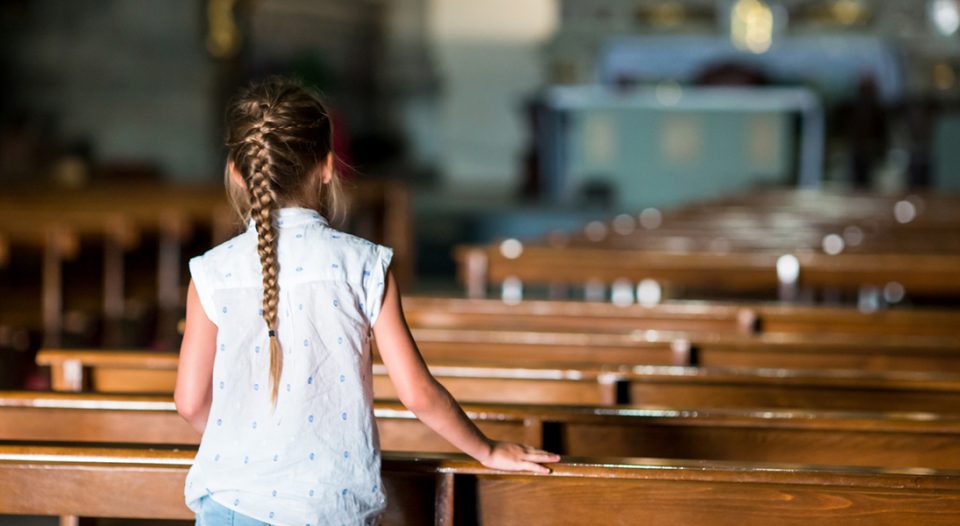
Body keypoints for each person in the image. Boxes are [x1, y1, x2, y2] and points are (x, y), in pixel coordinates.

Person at [174, 77, 559, 526]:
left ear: (237, 172)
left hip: (230, 504)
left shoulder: (211, 272)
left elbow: (189, 402)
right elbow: (416, 393)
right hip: (328, 508)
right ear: (327, 166)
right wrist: (487, 449)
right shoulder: (363, 265)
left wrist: (251, 448)